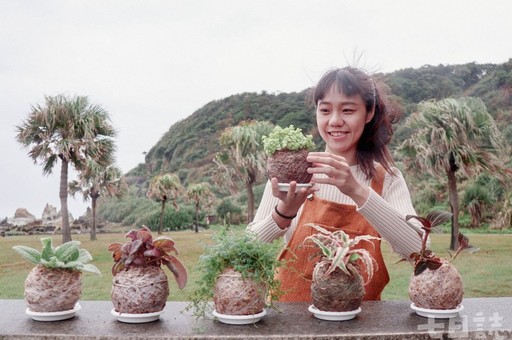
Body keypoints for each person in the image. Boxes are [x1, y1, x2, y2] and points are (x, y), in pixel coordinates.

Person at [246, 66, 423, 302]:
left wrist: (358, 192)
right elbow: (247, 249)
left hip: (361, 326)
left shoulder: (387, 179)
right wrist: (283, 214)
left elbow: (419, 251)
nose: (335, 121)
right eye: (325, 110)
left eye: (348, 110)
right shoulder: (292, 171)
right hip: (292, 325)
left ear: (368, 113)